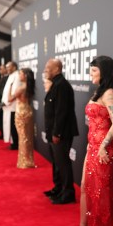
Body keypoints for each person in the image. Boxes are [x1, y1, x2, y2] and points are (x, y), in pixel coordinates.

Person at [70, 56, 113, 226]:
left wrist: (102, 146)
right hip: (92, 146)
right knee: (85, 187)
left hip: (105, 149)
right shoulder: (99, 91)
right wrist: (92, 146)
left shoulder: (109, 93)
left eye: (94, 70)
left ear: (104, 72)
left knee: (101, 192)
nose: (90, 73)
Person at [43, 58, 79, 204]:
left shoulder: (62, 85)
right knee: (57, 163)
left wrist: (57, 133)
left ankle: (68, 192)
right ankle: (59, 188)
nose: (45, 71)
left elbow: (61, 112)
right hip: (54, 132)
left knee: (63, 163)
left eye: (48, 68)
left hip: (61, 133)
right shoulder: (56, 84)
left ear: (57, 69)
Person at [10, 68, 36, 169]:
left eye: (20, 74)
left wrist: (10, 87)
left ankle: (24, 162)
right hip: (28, 112)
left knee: (23, 138)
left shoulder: (21, 88)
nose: (19, 76)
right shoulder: (29, 86)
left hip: (21, 113)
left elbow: (9, 99)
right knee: (28, 138)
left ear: (25, 76)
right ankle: (29, 160)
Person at [2, 62, 19, 147]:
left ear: (14, 67)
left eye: (9, 67)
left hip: (12, 106)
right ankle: (12, 142)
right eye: (6, 67)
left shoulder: (17, 76)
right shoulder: (11, 76)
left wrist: (7, 102)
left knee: (13, 126)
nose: (7, 69)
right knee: (9, 125)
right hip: (7, 105)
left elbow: (14, 91)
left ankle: (15, 143)